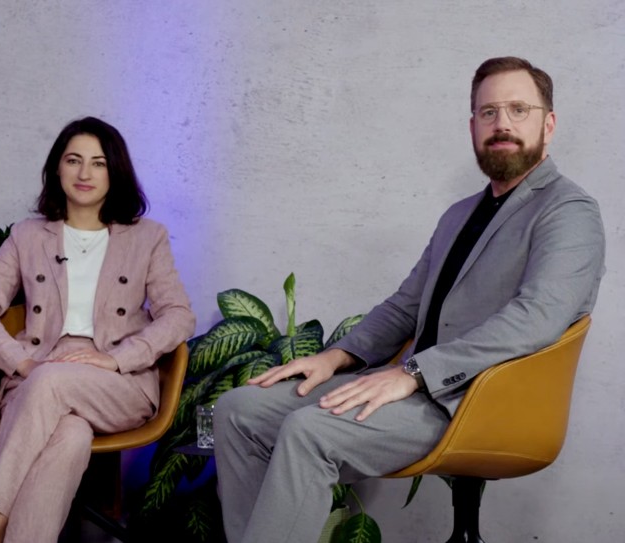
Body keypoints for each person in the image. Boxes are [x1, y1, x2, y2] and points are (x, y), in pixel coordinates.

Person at [214, 57, 605, 542]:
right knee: (237, 412)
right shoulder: (460, 215)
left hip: (472, 401)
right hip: (415, 389)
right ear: (472, 127)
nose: (502, 124)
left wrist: (415, 373)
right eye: (488, 113)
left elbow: (537, 318)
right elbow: (405, 305)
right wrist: (335, 358)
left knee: (310, 432)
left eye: (518, 110)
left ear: (548, 124)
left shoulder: (569, 211)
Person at [0, 117, 196, 543]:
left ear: (115, 172)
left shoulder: (148, 237)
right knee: (70, 436)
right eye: (74, 160)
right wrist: (21, 362)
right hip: (39, 375)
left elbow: (178, 315)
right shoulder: (28, 236)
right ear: (57, 169)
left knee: (52, 382)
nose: (85, 174)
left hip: (116, 382)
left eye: (98, 163)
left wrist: (115, 358)